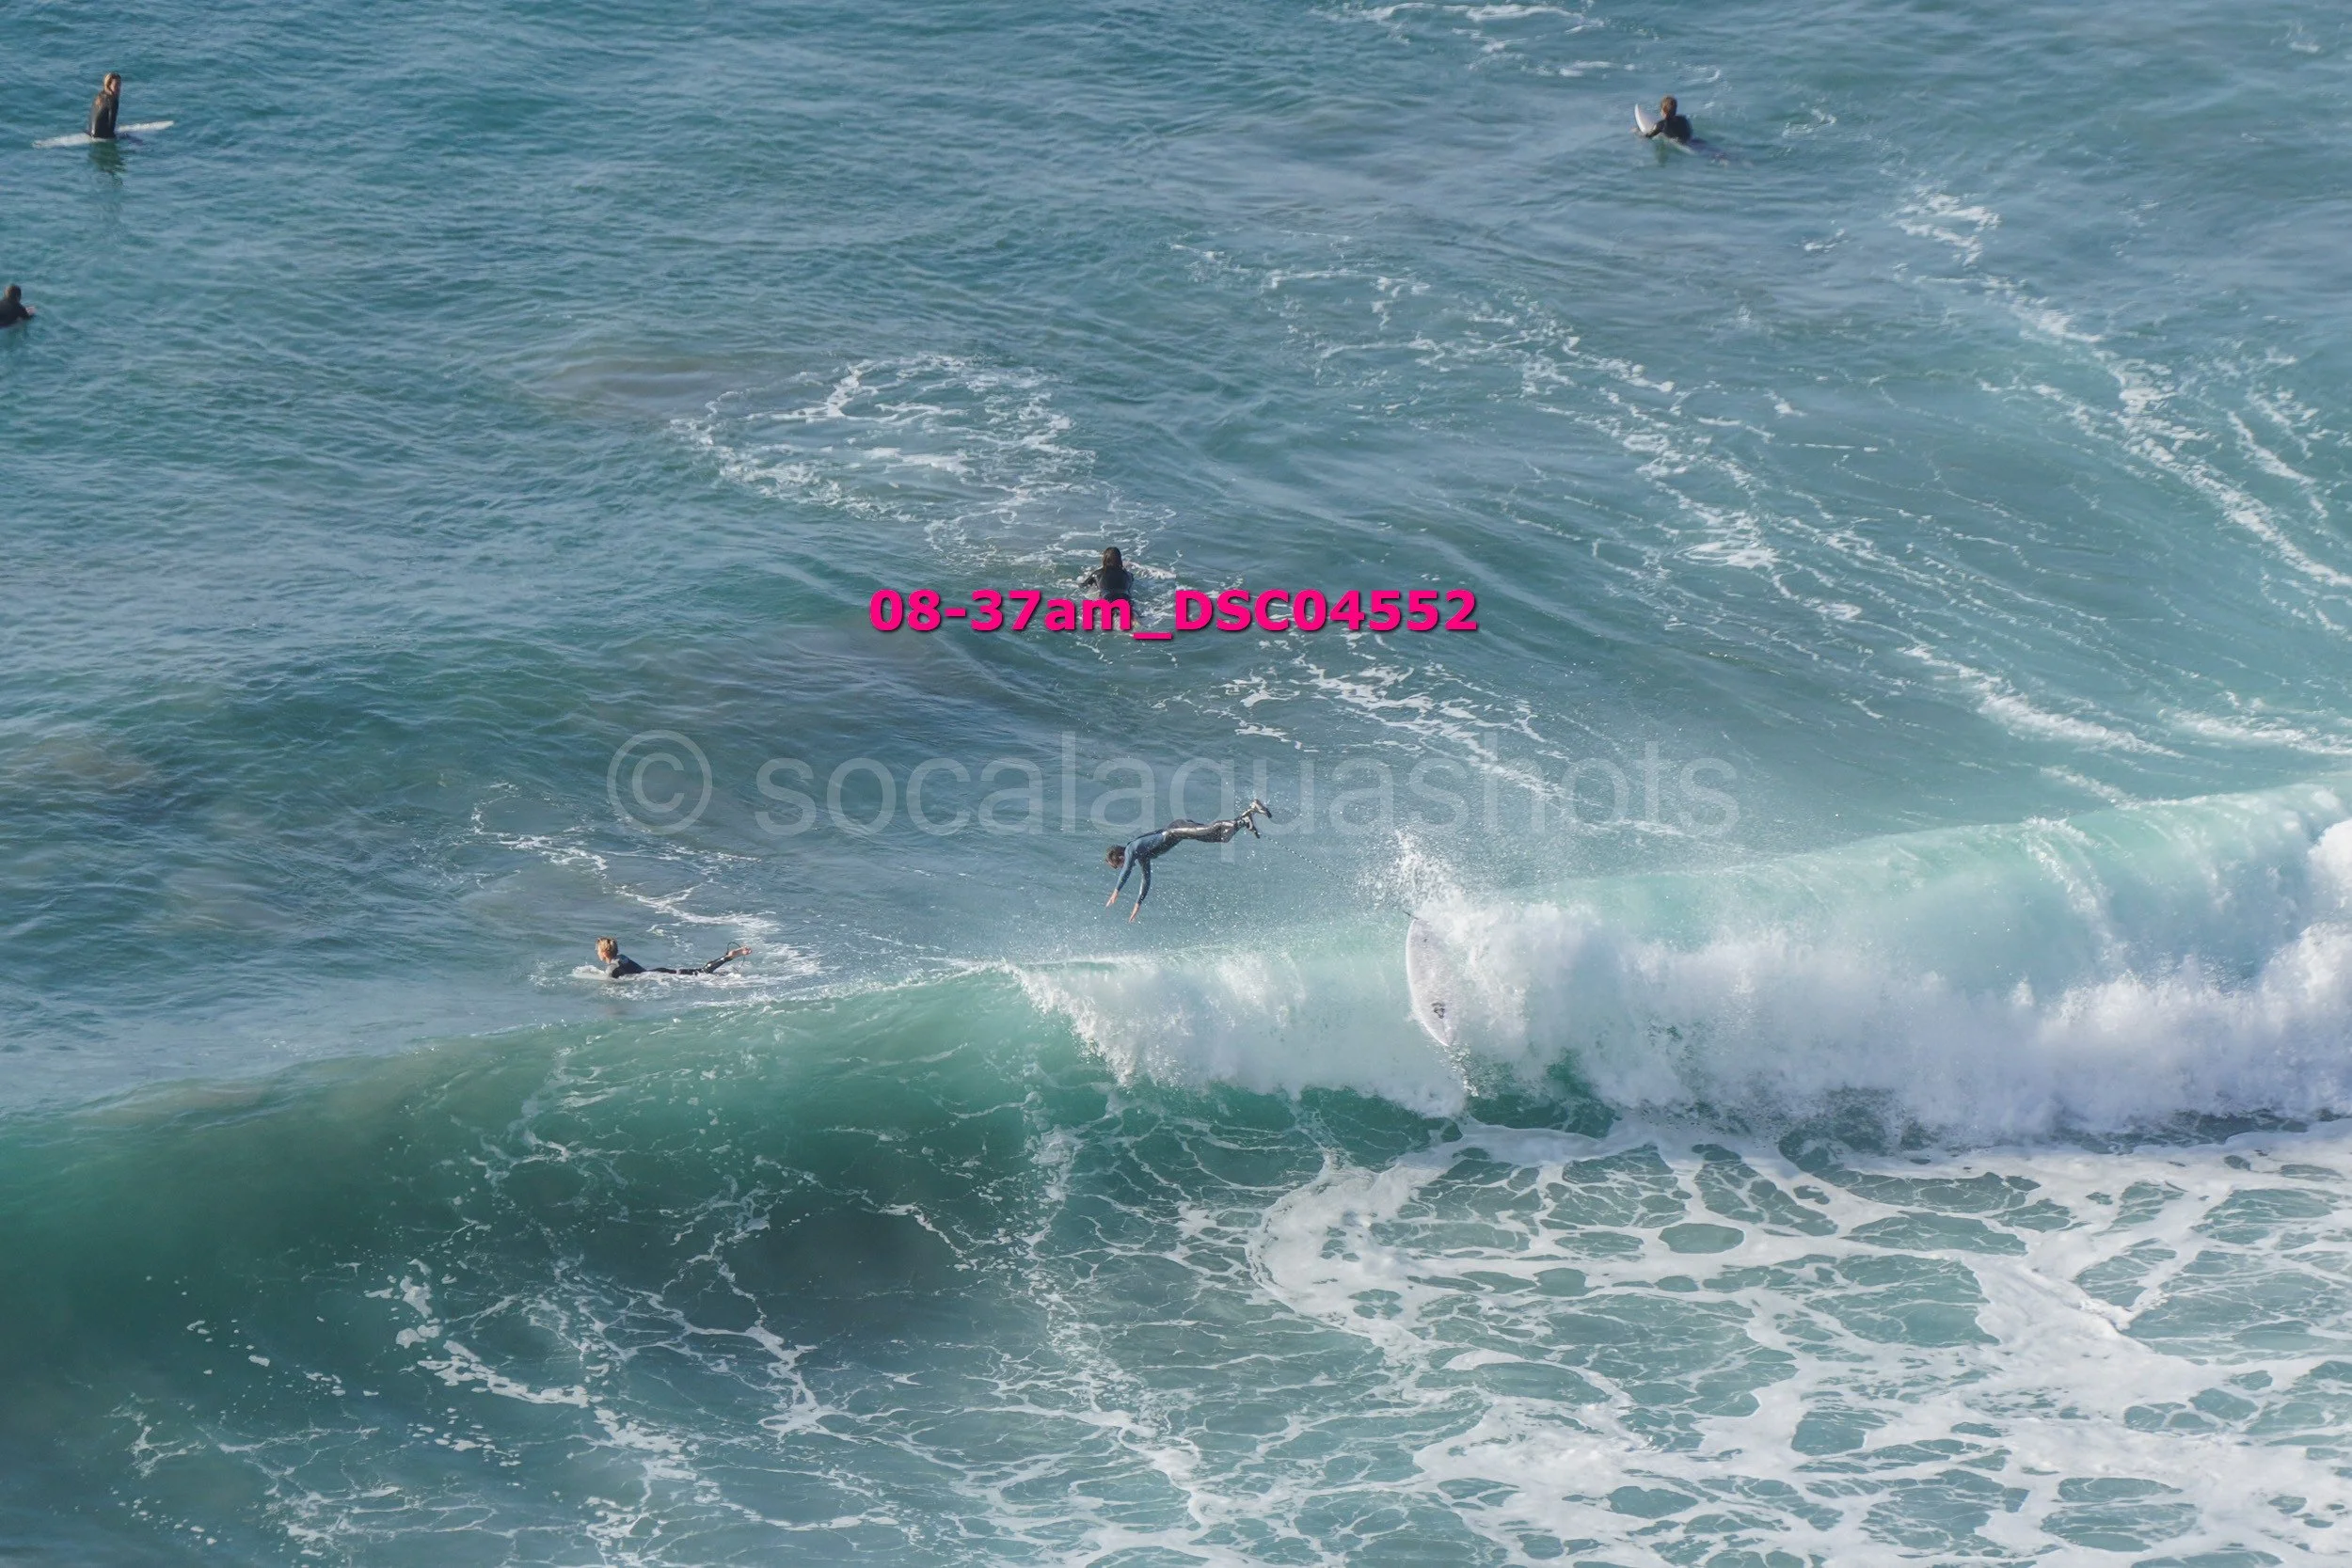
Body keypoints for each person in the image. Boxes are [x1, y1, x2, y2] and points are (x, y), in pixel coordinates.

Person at [1104, 800, 1272, 921]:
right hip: (1181, 833)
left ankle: (1245, 817)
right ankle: (1247, 816)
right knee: (1221, 837)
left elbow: (1126, 871)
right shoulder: (1143, 856)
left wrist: (1116, 891)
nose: (1122, 867)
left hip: (1176, 829)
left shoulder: (1132, 848)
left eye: (1118, 865)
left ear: (1120, 857)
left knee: (1211, 829)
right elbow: (1146, 879)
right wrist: (1138, 903)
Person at [596, 936, 751, 978]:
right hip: (655, 972)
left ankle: (728, 957)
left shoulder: (612, 968)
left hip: (655, 975)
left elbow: (612, 979)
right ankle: (726, 960)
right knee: (700, 972)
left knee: (701, 972)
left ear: (603, 953)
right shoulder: (621, 958)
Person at [88, 73, 122, 142]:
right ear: (109, 85)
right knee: (134, 140)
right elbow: (111, 125)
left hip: (91, 132)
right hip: (100, 135)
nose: (119, 88)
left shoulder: (99, 95)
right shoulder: (113, 100)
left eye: (120, 85)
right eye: (116, 85)